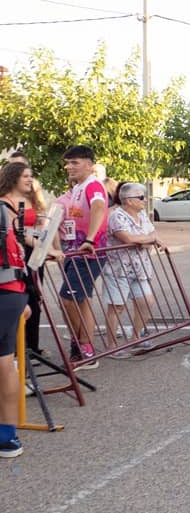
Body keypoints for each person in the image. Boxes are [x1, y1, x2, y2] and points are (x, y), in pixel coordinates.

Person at [55, 145, 109, 370]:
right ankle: (85, 347)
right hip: (74, 252)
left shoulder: (93, 185)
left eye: (74, 162)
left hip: (88, 254)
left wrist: (90, 239)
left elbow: (99, 207)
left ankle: (82, 348)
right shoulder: (77, 187)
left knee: (67, 299)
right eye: (68, 163)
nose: (69, 167)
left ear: (89, 164)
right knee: (82, 301)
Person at [0, 161, 57, 358]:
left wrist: (46, 244)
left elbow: (40, 225)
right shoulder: (4, 203)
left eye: (30, 176)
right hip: (15, 255)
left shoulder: (30, 199)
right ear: (13, 178)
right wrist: (46, 247)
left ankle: (33, 347)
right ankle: (15, 349)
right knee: (18, 301)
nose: (30, 180)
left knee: (34, 300)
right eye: (25, 176)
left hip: (35, 254)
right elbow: (19, 233)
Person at [100, 182, 160, 350]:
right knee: (117, 307)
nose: (145, 200)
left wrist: (146, 239)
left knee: (146, 301)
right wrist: (148, 240)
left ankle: (136, 338)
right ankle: (112, 346)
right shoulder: (116, 216)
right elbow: (128, 238)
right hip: (118, 270)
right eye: (141, 197)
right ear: (128, 200)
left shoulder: (142, 215)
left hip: (140, 269)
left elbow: (153, 233)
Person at [0, 188, 31, 458]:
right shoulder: (5, 212)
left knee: (5, 364)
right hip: (12, 291)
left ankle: (7, 437)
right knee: (5, 363)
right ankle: (7, 436)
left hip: (6, 293)